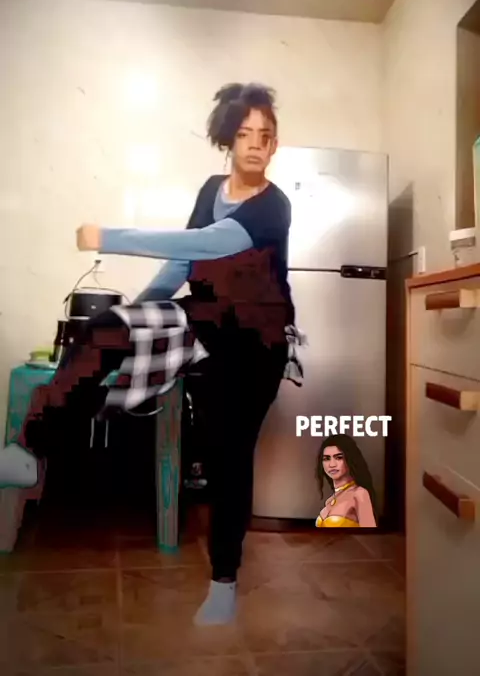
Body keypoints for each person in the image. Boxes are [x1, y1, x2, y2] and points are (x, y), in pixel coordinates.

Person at [0, 82, 300, 625]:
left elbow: (210, 244)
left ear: (275, 145)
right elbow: (182, 266)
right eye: (245, 134)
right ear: (228, 140)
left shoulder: (273, 207)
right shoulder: (211, 189)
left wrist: (111, 236)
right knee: (106, 327)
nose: (256, 144)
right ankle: (30, 449)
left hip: (256, 343)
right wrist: (134, 319)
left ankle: (224, 582)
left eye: (266, 136)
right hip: (206, 320)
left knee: (230, 456)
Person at [315, 433, 377, 528]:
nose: (332, 464)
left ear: (350, 459)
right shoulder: (329, 500)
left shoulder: (359, 494)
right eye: (326, 458)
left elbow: (370, 534)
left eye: (339, 457)